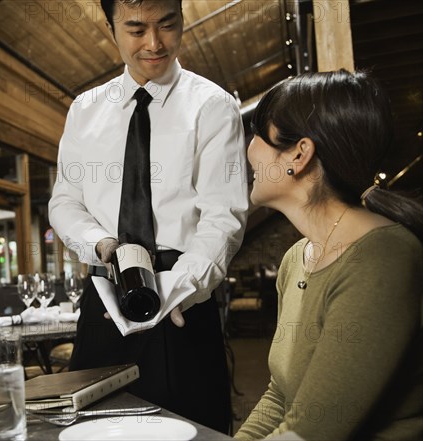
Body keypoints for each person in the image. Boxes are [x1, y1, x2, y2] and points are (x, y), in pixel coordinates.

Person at [49, 0, 248, 433]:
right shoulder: (85, 110)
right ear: (111, 27)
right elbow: (65, 202)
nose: (154, 43)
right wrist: (103, 245)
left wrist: (177, 288)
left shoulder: (212, 105)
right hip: (104, 296)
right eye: (136, 29)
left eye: (167, 26)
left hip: (183, 302)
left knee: (193, 428)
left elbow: (223, 217)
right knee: (94, 428)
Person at [234, 69, 423, 440]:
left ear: (300, 154)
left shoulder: (382, 257)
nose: (249, 149)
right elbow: (279, 398)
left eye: (258, 134)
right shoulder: (295, 258)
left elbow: (310, 432)